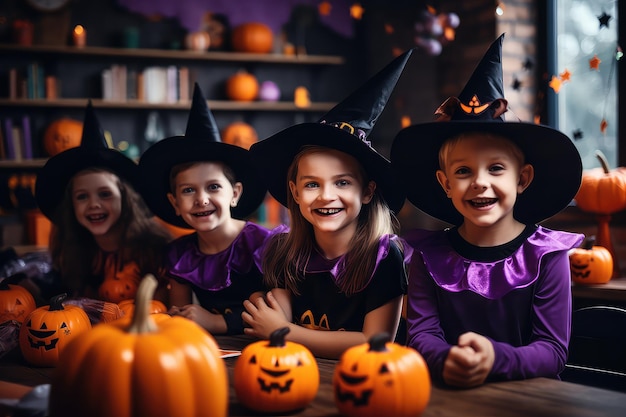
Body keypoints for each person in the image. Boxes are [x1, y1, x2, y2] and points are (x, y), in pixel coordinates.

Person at [390, 34, 585, 388]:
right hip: (450, 392)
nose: (479, 182)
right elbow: (421, 336)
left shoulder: (547, 256)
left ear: (522, 179)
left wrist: (494, 358)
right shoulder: (426, 256)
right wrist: (450, 358)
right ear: (445, 183)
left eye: (496, 169)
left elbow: (553, 351)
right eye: (463, 171)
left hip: (531, 400)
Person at [243, 49, 414, 359]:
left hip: (372, 382)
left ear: (367, 192)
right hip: (300, 374)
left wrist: (286, 332)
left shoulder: (384, 257)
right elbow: (270, 322)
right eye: (312, 184)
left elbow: (376, 343)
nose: (326, 195)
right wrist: (275, 326)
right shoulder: (284, 251)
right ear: (294, 192)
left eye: (342, 182)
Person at [138, 83, 271, 335]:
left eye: (212, 187)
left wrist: (217, 322)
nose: (201, 199)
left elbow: (277, 312)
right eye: (188, 190)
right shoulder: (179, 254)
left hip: (264, 345)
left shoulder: (262, 245)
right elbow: (180, 317)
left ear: (235, 194)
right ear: (175, 203)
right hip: (212, 349)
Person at [34, 102, 172, 304]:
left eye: (105, 194)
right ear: (71, 205)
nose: (93, 204)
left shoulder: (153, 249)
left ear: (125, 199)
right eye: (82, 196)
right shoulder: (73, 250)